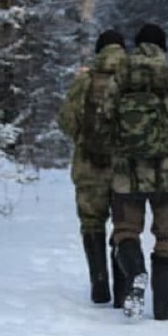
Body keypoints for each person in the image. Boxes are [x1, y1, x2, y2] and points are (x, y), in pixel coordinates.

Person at [108, 23, 168, 320]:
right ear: (164, 46)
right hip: (167, 171)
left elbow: (105, 120)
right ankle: (163, 307)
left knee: (125, 231)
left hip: (126, 170)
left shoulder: (119, 80)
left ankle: (136, 274)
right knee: (165, 235)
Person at [57, 29, 127, 307]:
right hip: (125, 166)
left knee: (91, 222)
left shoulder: (84, 81)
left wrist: (83, 140)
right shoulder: (131, 79)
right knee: (124, 225)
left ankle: (99, 283)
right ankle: (122, 287)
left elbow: (65, 119)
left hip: (89, 164)